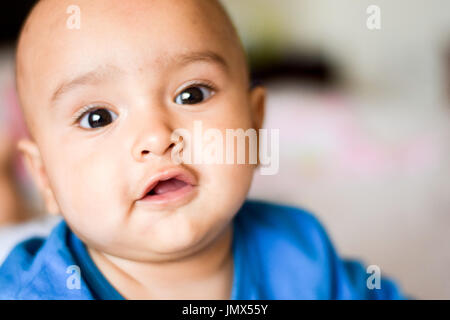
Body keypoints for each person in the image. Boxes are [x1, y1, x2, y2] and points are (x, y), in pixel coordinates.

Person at [0, 0, 405, 299]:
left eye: (192, 94)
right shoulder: (35, 292)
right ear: (45, 178)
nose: (157, 137)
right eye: (98, 118)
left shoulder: (300, 251)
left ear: (254, 123)